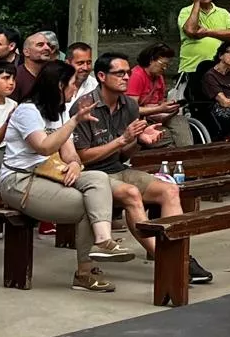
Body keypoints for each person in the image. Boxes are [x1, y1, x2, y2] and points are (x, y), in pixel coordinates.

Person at [74, 54, 211, 282]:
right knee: (132, 194)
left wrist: (137, 141)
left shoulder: (129, 105)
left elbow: (126, 153)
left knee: (169, 190)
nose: (126, 77)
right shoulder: (85, 107)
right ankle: (172, 261)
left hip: (119, 167)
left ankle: (179, 252)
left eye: (128, 72)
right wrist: (122, 139)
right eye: (120, 73)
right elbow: (82, 158)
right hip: (92, 175)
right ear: (101, 76)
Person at [0, 62, 133, 290]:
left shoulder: (58, 112)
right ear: (60, 85)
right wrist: (74, 122)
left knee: (98, 178)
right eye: (73, 84)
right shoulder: (27, 111)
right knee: (85, 205)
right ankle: (84, 273)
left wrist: (73, 164)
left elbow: (69, 152)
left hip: (52, 173)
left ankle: (103, 240)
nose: (75, 89)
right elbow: (43, 147)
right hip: (20, 181)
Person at [128, 42, 193, 148]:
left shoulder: (159, 77)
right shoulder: (136, 76)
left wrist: (169, 108)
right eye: (163, 64)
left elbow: (159, 103)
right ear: (151, 60)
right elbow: (131, 109)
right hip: (138, 120)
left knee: (180, 120)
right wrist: (159, 109)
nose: (165, 68)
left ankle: (188, 153)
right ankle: (185, 156)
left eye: (167, 65)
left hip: (154, 117)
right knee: (169, 137)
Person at [177, 0, 230, 83]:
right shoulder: (186, 11)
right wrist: (196, 2)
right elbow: (191, 30)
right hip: (191, 69)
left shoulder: (222, 13)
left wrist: (207, 32)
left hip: (218, 70)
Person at [13, 31, 55, 103]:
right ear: (26, 52)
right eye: (40, 45)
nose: (47, 48)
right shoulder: (15, 77)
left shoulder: (53, 76)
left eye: (48, 45)